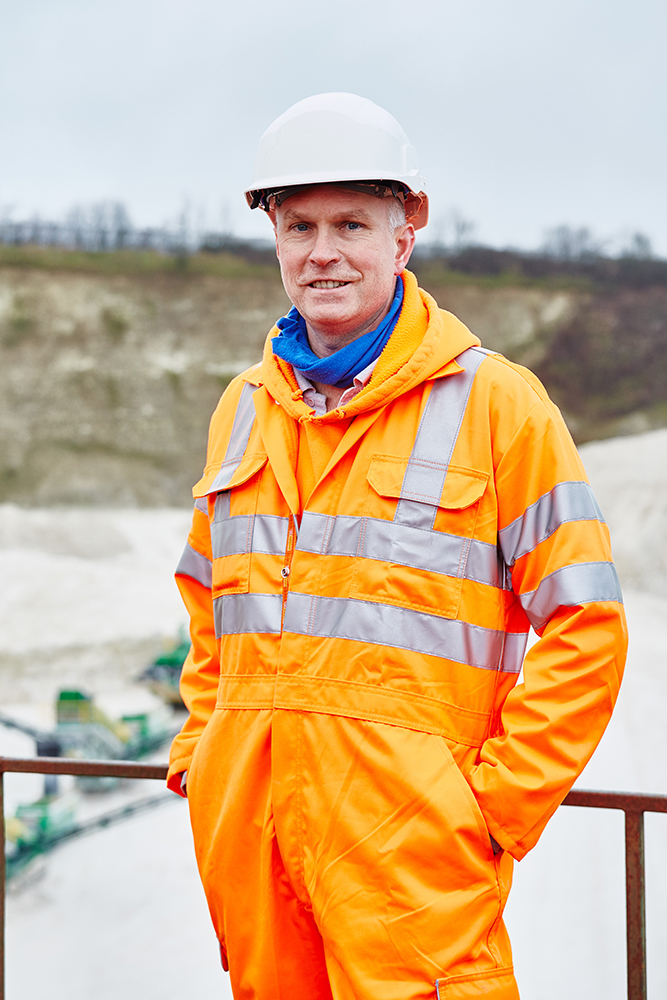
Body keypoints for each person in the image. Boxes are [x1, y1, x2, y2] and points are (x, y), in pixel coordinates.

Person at [167, 93, 627, 1000]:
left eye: (350, 224)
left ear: (403, 234)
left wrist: (493, 809)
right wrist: (202, 751)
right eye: (298, 226)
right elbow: (205, 603)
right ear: (274, 237)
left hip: (410, 860)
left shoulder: (498, 404)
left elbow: (586, 624)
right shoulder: (244, 409)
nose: (321, 252)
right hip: (254, 846)